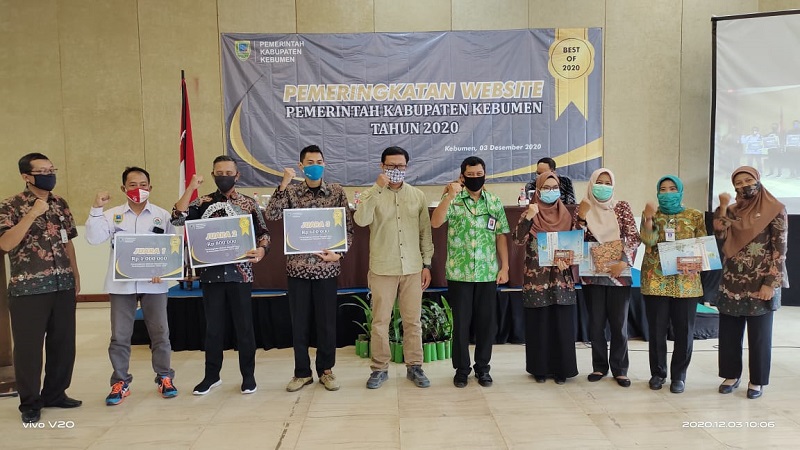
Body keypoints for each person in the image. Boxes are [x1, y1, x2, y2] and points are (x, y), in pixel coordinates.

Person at [171, 155, 270, 396]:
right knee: (213, 329)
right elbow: (177, 217)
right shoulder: (202, 202)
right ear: (213, 175)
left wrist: (262, 250)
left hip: (241, 275)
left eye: (228, 173)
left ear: (237, 175)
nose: (224, 177)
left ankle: (248, 377)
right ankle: (212, 376)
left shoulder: (248, 204)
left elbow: (264, 233)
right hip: (211, 275)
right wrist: (191, 188)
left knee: (244, 328)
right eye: (219, 173)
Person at [85, 166, 178, 405]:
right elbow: (93, 239)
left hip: (154, 286)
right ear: (123, 188)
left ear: (150, 187)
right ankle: (120, 381)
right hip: (121, 286)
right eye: (133, 185)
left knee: (160, 333)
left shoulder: (162, 215)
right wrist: (96, 208)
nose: (138, 189)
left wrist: (164, 270)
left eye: (143, 185)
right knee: (120, 336)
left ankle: (165, 377)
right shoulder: (111, 215)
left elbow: (173, 247)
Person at [264, 145, 354, 392]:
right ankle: (302, 373)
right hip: (298, 269)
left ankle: (326, 370)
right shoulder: (291, 192)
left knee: (326, 324)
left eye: (319, 161)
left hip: (326, 269)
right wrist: (283, 184)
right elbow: (271, 215)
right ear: (301, 165)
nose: (315, 166)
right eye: (310, 162)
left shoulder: (336, 192)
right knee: (299, 324)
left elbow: (347, 229)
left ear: (325, 164)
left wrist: (339, 254)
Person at [0, 153, 82, 424]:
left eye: (51, 169)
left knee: (63, 344)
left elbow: (67, 241)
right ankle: (30, 402)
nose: (50, 174)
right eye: (43, 171)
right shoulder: (10, 205)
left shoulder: (60, 203)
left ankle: (56, 393)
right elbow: (5, 244)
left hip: (62, 284)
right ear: (26, 176)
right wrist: (32, 213)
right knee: (29, 349)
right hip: (28, 289)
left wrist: (75, 273)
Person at [354, 146, 434, 389]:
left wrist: (427, 264)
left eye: (400, 166)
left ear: (407, 167)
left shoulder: (417, 196)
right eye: (391, 166)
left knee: (413, 321)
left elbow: (425, 232)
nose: (396, 170)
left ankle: (415, 366)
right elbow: (361, 220)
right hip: (383, 267)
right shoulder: (371, 194)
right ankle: (379, 369)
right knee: (380, 321)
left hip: (412, 267)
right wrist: (377, 188)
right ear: (382, 166)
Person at [431, 156, 510, 388]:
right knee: (461, 324)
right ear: (462, 176)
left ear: (485, 175)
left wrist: (505, 267)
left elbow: (501, 236)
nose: (475, 178)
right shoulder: (453, 200)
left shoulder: (494, 202)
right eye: (470, 175)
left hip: (487, 273)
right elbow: (435, 222)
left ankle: (483, 369)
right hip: (459, 273)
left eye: (479, 174)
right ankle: (462, 370)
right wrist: (449, 196)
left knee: (486, 325)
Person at [713, 166, 788, 399]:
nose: (744, 185)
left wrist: (770, 283)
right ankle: (731, 375)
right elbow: (720, 234)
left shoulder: (775, 209)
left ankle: (757, 381)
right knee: (729, 333)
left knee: (759, 336)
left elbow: (779, 250)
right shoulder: (731, 211)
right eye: (738, 183)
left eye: (748, 180)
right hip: (732, 281)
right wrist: (722, 206)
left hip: (760, 283)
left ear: (758, 180)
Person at [640, 175, 706, 394]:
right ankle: (658, 373)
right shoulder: (651, 214)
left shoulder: (694, 215)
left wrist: (694, 263)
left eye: (672, 189)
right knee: (656, 330)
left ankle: (679, 376)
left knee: (684, 331)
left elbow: (703, 246)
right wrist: (649, 218)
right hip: (656, 281)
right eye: (663, 189)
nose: (668, 193)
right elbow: (648, 241)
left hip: (686, 282)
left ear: (680, 191)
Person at [574, 168, 640, 388]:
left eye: (607, 183)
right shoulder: (583, 207)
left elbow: (633, 237)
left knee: (619, 324)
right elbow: (574, 239)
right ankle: (599, 366)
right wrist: (581, 217)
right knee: (596, 324)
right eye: (599, 182)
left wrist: (625, 261)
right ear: (591, 184)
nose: (603, 186)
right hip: (592, 276)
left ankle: (620, 369)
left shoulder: (621, 207)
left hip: (618, 275)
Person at [513, 172, 578, 384]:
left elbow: (576, 245)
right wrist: (529, 217)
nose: (551, 191)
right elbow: (517, 240)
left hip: (561, 280)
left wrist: (569, 259)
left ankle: (562, 370)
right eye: (546, 188)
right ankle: (539, 369)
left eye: (554, 187)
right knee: (539, 324)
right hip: (537, 281)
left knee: (561, 324)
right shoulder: (530, 213)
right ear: (538, 191)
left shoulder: (566, 216)